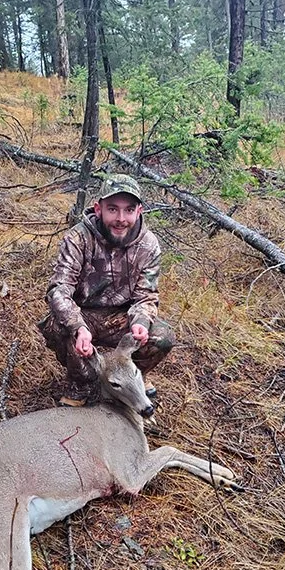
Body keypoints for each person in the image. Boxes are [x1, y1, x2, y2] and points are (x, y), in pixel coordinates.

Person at [38, 173, 175, 406]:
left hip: (121, 317)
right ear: (98, 208)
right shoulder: (78, 238)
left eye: (128, 210)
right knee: (56, 326)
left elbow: (146, 296)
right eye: (113, 209)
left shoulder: (148, 244)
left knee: (162, 337)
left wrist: (140, 322)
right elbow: (59, 289)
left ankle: (134, 375)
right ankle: (80, 383)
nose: (121, 218)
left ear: (138, 211)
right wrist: (78, 326)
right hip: (83, 314)